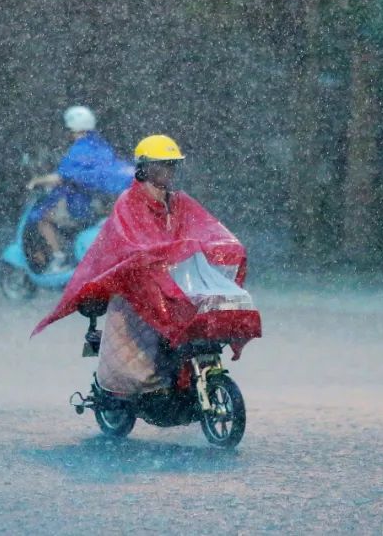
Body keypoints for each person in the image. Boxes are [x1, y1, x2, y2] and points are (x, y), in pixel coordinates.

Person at [31, 134, 261, 399]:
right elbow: (131, 245)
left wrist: (225, 246)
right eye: (160, 165)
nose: (167, 171)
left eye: (171, 165)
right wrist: (161, 256)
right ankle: (144, 392)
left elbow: (206, 228)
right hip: (137, 286)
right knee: (140, 348)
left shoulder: (179, 202)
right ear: (144, 168)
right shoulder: (128, 202)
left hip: (173, 281)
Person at [25, 105, 133, 273]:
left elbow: (61, 176)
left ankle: (59, 258)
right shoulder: (100, 145)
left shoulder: (79, 149)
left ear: (73, 128)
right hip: (100, 202)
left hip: (82, 203)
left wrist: (36, 181)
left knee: (42, 218)